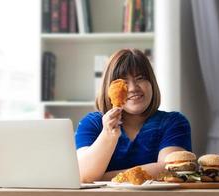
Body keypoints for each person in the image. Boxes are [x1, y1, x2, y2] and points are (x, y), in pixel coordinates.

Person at [75, 48, 191, 183]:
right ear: (108, 89)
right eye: (123, 82)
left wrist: (103, 177)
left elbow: (170, 169)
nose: (133, 88)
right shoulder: (92, 123)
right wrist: (108, 135)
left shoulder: (173, 122)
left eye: (140, 78)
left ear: (152, 83)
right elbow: (83, 175)